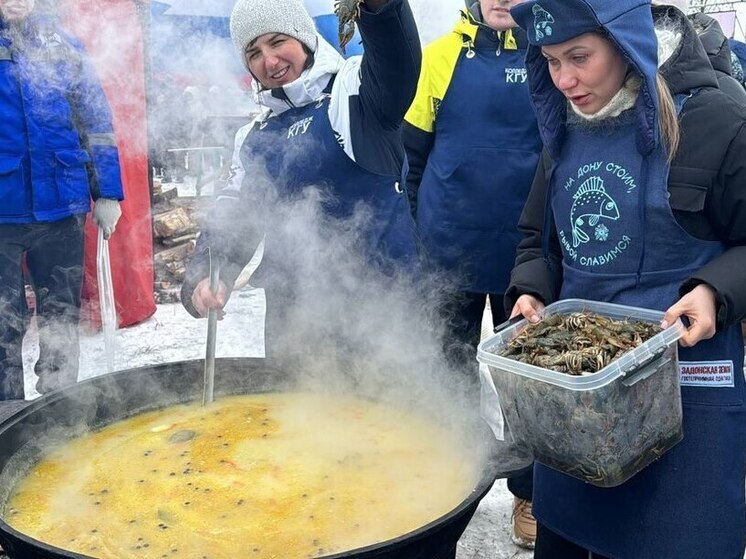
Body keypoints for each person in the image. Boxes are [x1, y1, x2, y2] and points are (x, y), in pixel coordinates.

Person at [506, 0, 746, 557]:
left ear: (626, 41)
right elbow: (536, 239)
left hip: (688, 386)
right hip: (577, 388)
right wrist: (531, 291)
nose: (564, 79)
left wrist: (714, 290)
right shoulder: (564, 127)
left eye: (579, 57)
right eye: (549, 62)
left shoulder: (716, 118)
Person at [181, 0, 420, 358]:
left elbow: (396, 59)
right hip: (293, 323)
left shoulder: (355, 92)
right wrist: (205, 275)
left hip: (382, 313)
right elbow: (233, 216)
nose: (270, 61)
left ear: (304, 39)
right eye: (254, 52)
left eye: (277, 42)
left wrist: (379, 8)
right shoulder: (252, 137)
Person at [402, 0, 540, 549]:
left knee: (525, 382)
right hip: (450, 245)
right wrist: (422, 227)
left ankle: (530, 491)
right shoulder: (439, 57)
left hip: (525, 255)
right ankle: (451, 476)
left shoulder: (548, 55)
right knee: (447, 370)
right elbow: (414, 155)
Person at [0, 0, 124, 401]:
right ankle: (7, 422)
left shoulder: (65, 45)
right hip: (3, 208)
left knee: (61, 317)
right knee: (2, 323)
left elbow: (96, 123)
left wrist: (107, 191)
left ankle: (58, 412)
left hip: (62, 205)